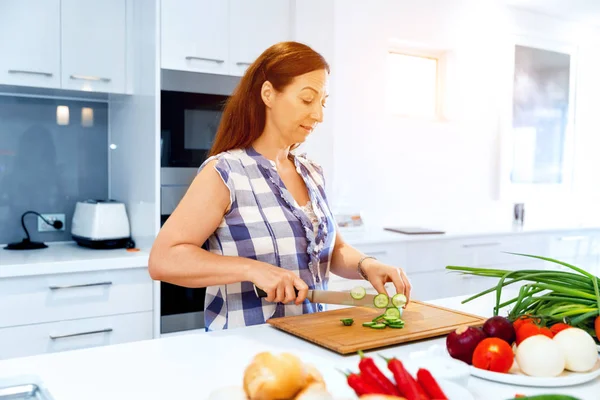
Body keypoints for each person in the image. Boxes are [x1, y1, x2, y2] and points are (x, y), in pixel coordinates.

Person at [148, 41, 411, 331]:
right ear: (269, 94)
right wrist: (252, 270)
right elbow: (164, 259)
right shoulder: (225, 172)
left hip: (313, 339)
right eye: (307, 99)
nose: (319, 115)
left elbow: (331, 251)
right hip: (244, 350)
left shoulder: (312, 172)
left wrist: (366, 265)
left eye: (323, 102)